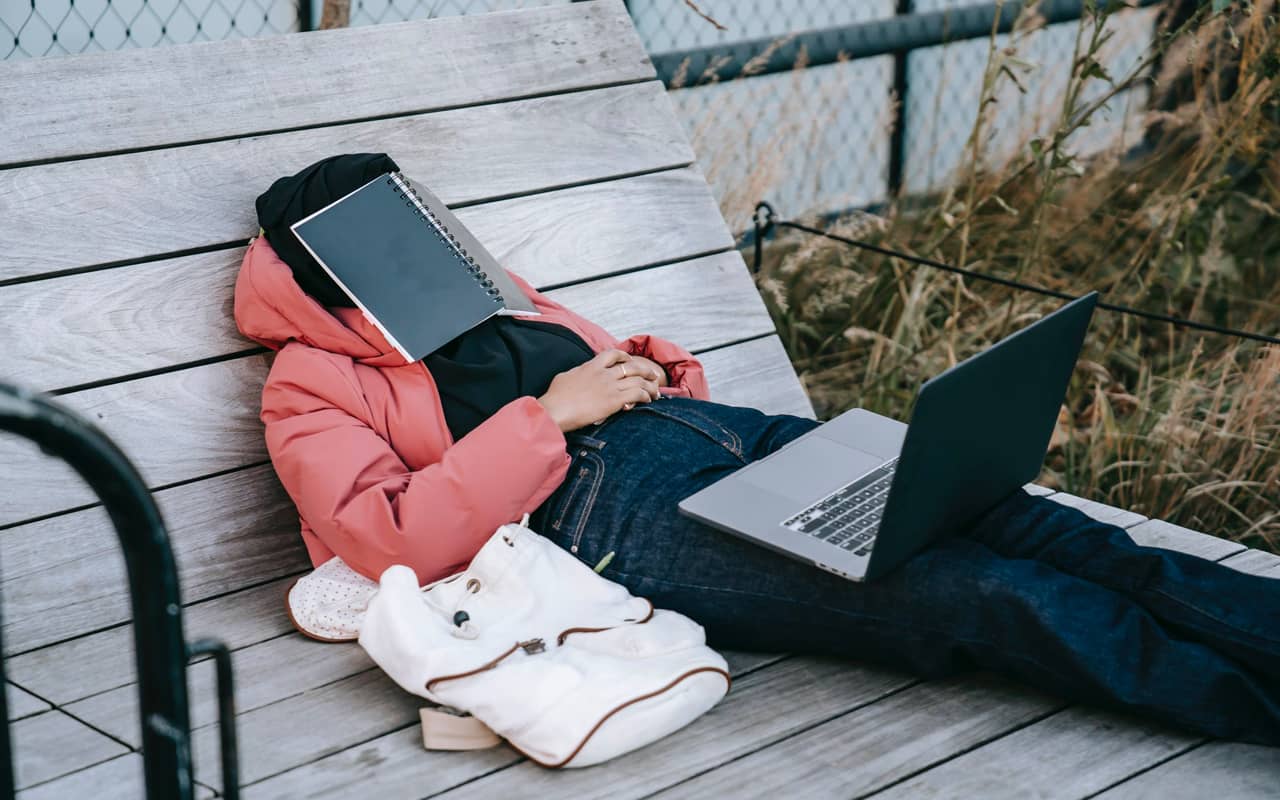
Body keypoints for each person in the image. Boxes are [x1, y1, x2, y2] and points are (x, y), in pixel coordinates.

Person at [236, 153, 1280, 746]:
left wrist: (647, 365)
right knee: (979, 590)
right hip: (601, 513)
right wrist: (548, 416)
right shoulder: (310, 382)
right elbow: (390, 541)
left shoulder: (483, 290)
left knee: (1031, 522)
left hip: (718, 434)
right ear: (324, 269)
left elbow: (603, 370)